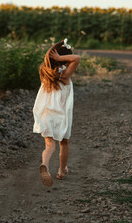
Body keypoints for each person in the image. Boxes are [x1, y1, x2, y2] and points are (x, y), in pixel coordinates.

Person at [33, 39, 80, 187]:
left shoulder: (46, 73)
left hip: (46, 113)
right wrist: (61, 58)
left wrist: (54, 58)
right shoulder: (64, 76)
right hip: (61, 114)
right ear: (63, 59)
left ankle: (45, 165)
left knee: (49, 145)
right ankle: (61, 171)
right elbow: (77, 58)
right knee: (64, 143)